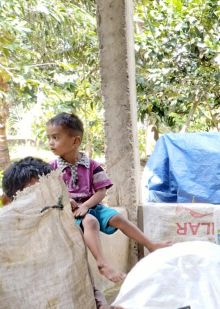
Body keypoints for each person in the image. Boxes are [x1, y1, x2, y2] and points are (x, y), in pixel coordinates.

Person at [1, 157, 131, 309]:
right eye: (33, 199)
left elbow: (83, 285)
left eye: (50, 198)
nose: (43, 207)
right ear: (7, 202)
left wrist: (101, 308)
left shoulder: (63, 238)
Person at [46, 112, 170, 283]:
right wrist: (68, 201)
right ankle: (102, 263)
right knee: (90, 222)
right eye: (49, 138)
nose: (51, 142)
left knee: (118, 218)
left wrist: (86, 206)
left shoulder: (91, 165)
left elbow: (101, 191)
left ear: (75, 141)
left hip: (93, 206)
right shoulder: (51, 169)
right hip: (71, 211)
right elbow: (50, 193)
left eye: (55, 137)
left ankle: (150, 245)